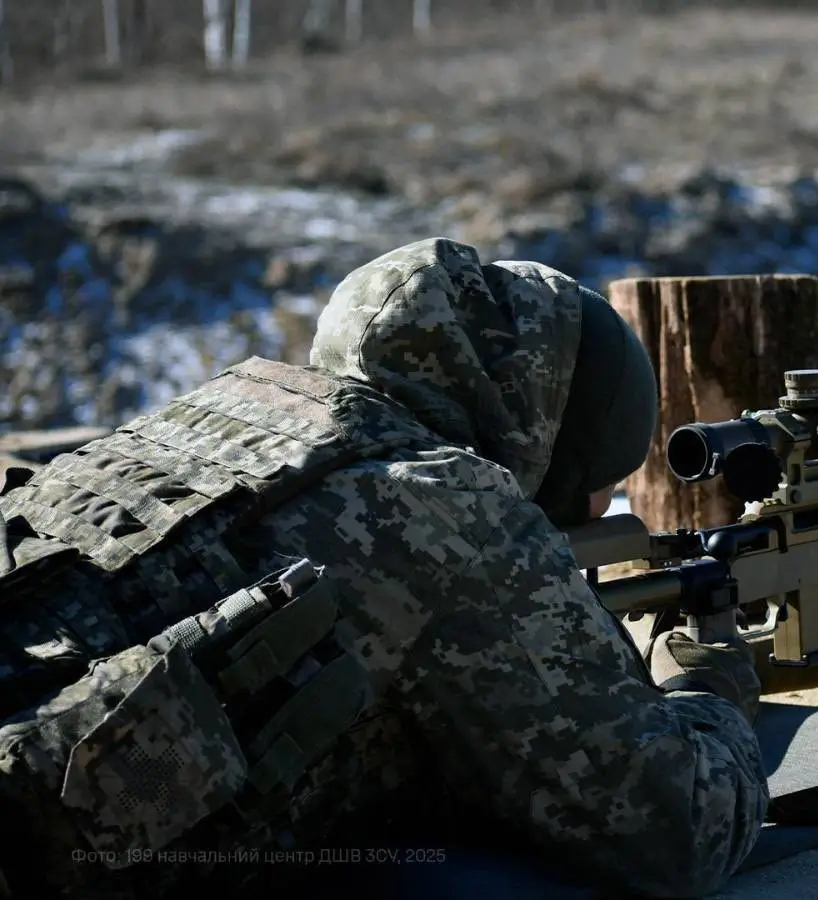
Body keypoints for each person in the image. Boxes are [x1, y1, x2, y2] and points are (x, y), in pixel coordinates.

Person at [0, 238, 768, 899]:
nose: (601, 508)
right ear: (546, 431)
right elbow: (675, 832)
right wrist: (707, 691)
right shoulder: (443, 502)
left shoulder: (212, 414)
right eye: (600, 478)